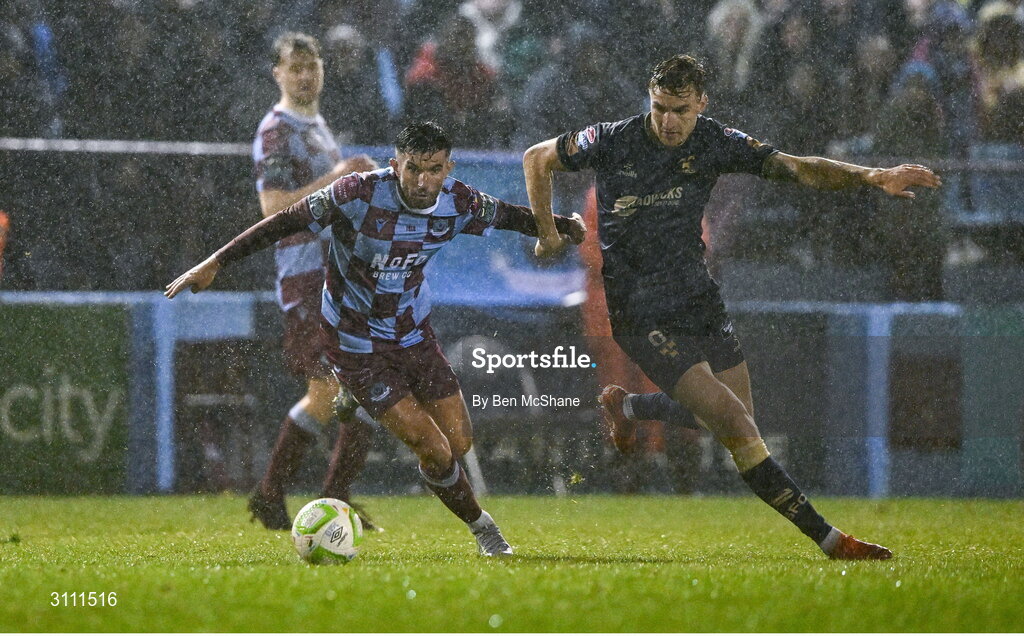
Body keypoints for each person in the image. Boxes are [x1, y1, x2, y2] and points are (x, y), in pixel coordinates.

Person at [523, 54, 941, 560]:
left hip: (697, 296)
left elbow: (798, 169)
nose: (667, 121)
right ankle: (831, 540)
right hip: (640, 310)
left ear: (702, 103)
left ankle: (627, 405)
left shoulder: (716, 142)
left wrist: (871, 176)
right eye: (659, 108)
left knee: (728, 418)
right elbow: (536, 157)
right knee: (734, 423)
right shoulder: (614, 138)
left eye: (679, 109)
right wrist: (546, 233)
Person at [166, 121, 586, 556]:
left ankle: (406, 444)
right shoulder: (356, 193)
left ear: (448, 167)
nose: (424, 182)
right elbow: (284, 220)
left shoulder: (458, 201)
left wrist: (564, 225)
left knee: (458, 443)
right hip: (355, 344)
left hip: (413, 336)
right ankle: (485, 530)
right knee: (435, 449)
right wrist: (216, 261)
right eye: (413, 169)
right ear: (395, 165)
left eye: (434, 170)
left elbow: (510, 216)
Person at [248, 32, 379, 531]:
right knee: (329, 389)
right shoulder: (275, 131)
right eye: (294, 67)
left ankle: (332, 499)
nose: (305, 75)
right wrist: (341, 175)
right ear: (276, 73)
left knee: (363, 386)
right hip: (306, 275)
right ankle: (273, 493)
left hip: (341, 273)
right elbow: (274, 209)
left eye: (312, 65)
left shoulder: (318, 127)